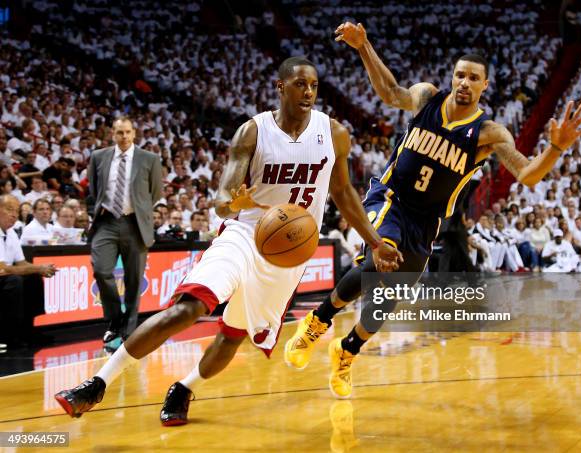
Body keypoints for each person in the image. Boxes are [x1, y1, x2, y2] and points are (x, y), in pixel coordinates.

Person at [54, 57, 401, 424]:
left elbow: (344, 192)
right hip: (245, 234)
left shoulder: (333, 133)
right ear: (281, 87)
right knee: (188, 308)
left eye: (314, 86)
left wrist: (375, 242)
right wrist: (233, 202)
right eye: (300, 84)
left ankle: (185, 387)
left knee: (234, 335)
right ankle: (97, 384)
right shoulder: (252, 132)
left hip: (289, 255)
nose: (309, 92)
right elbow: (222, 201)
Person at [284, 22, 581, 399]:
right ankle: (317, 322)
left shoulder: (488, 133)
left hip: (426, 221)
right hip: (391, 199)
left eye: (473, 78)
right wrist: (364, 46)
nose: (464, 82)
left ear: (484, 86)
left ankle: (346, 350)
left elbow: (527, 174)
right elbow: (390, 92)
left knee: (388, 296)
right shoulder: (428, 97)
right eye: (459, 74)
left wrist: (555, 149)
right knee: (380, 258)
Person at [86, 117, 162, 344]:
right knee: (101, 270)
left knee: (133, 279)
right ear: (113, 133)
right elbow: (93, 190)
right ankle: (114, 320)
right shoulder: (98, 156)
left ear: (134, 133)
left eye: (128, 132)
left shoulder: (149, 159)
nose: (124, 137)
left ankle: (128, 328)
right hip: (106, 222)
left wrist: (139, 209)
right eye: (120, 133)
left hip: (135, 224)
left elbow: (155, 192)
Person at [0, 195, 57, 349]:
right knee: (14, 281)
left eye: (16, 211)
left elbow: (21, 263)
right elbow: (3, 269)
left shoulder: (10, 233)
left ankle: (28, 330)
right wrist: (38, 268)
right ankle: (8, 335)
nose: (14, 214)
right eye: (9, 209)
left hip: (4, 275)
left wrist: (40, 269)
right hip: (2, 275)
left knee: (32, 278)